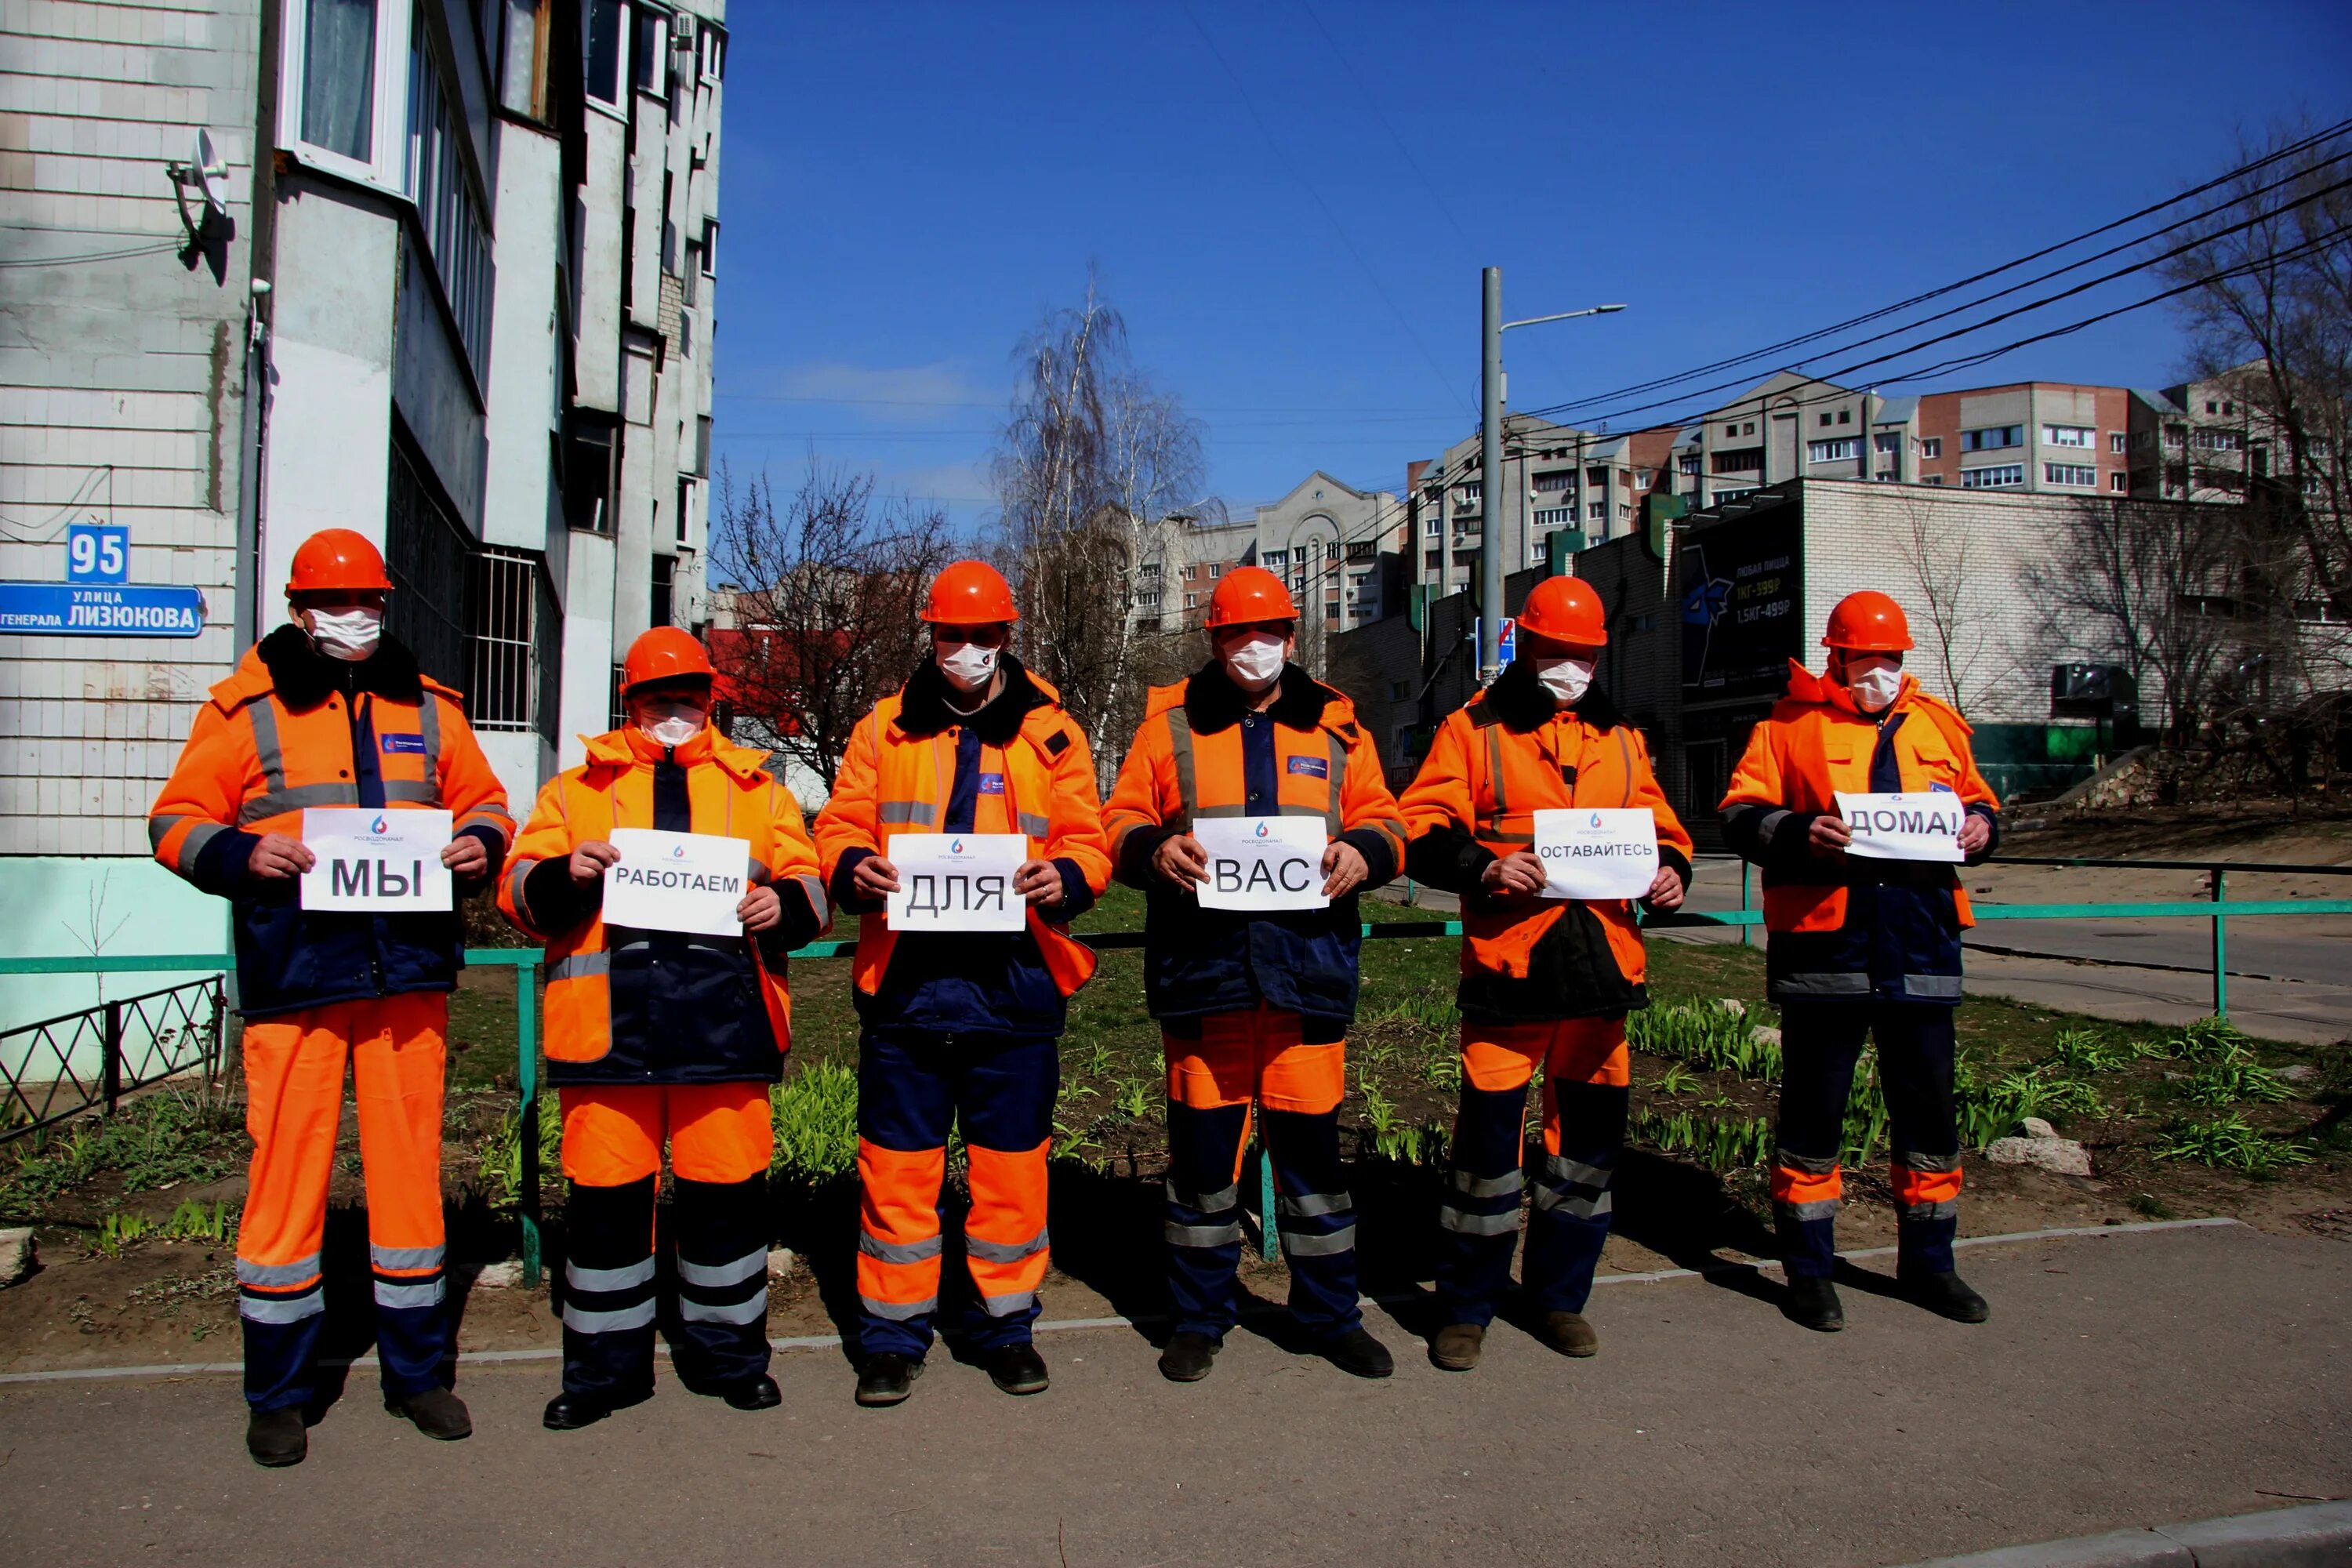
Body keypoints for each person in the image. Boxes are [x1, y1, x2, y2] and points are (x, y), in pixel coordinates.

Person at [147, 528, 512, 1466]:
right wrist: (239, 852)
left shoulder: (430, 706)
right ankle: (280, 1392)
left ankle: (418, 1376)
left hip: (406, 975)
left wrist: (482, 842)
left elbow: (486, 802)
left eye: (373, 604)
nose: (359, 619)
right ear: (298, 609)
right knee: (285, 1179)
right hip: (297, 973)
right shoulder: (244, 708)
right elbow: (176, 819)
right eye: (340, 604)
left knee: (407, 1180)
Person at [498, 627, 827, 1428]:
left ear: (711, 699)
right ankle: (602, 1372)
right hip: (609, 1035)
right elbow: (515, 890)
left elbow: (812, 889)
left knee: (728, 1208)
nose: (673, 710)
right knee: (605, 1211)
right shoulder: (574, 789)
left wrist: (779, 906)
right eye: (657, 697)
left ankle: (733, 1358)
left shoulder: (762, 790)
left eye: (688, 696)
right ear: (631, 702)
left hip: (727, 1027)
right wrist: (561, 875)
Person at [811, 561, 1112, 1407]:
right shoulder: (883, 729)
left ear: (1008, 638)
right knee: (896, 1169)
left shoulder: (1054, 732)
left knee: (1011, 1170)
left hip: (1015, 984)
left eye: (985, 636)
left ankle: (1003, 1325)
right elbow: (838, 819)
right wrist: (848, 864)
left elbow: (1088, 836)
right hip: (907, 986)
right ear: (931, 636)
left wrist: (1072, 878)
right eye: (954, 634)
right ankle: (891, 1336)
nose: (969, 649)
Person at [1102, 565, 1409, 1384]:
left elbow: (1386, 817)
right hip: (1204, 977)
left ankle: (1328, 1316)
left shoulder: (1338, 726)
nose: (1254, 647)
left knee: (1314, 1170)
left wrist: (1365, 851)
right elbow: (1119, 818)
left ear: (1293, 635)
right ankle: (1200, 1319)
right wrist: (1151, 847)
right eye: (1238, 633)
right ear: (1215, 640)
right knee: (1203, 1171)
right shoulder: (1166, 725)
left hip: (1306, 976)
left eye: (1268, 631)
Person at [1397, 575, 1690, 1371]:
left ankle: (1560, 1300)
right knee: (1487, 1163)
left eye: (1584, 655)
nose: (1571, 668)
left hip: (1601, 977)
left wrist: (1671, 870)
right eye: (1556, 652)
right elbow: (1421, 828)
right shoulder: (1474, 730)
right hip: (1511, 972)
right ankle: (1465, 1309)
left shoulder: (1622, 738)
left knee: (1584, 1163)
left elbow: (1666, 828)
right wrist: (1484, 868)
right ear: (1524, 648)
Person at [1719, 590, 2002, 1333]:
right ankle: (1810, 1274)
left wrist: (1981, 826)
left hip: (1922, 945)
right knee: (1814, 1118)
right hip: (1827, 949)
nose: (1877, 670)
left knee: (1930, 1117)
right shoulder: (1788, 726)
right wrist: (1801, 831)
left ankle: (1932, 1267)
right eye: (1864, 658)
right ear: (1834, 657)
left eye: (1890, 658)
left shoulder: (1939, 725)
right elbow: (1740, 813)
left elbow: (1981, 802)